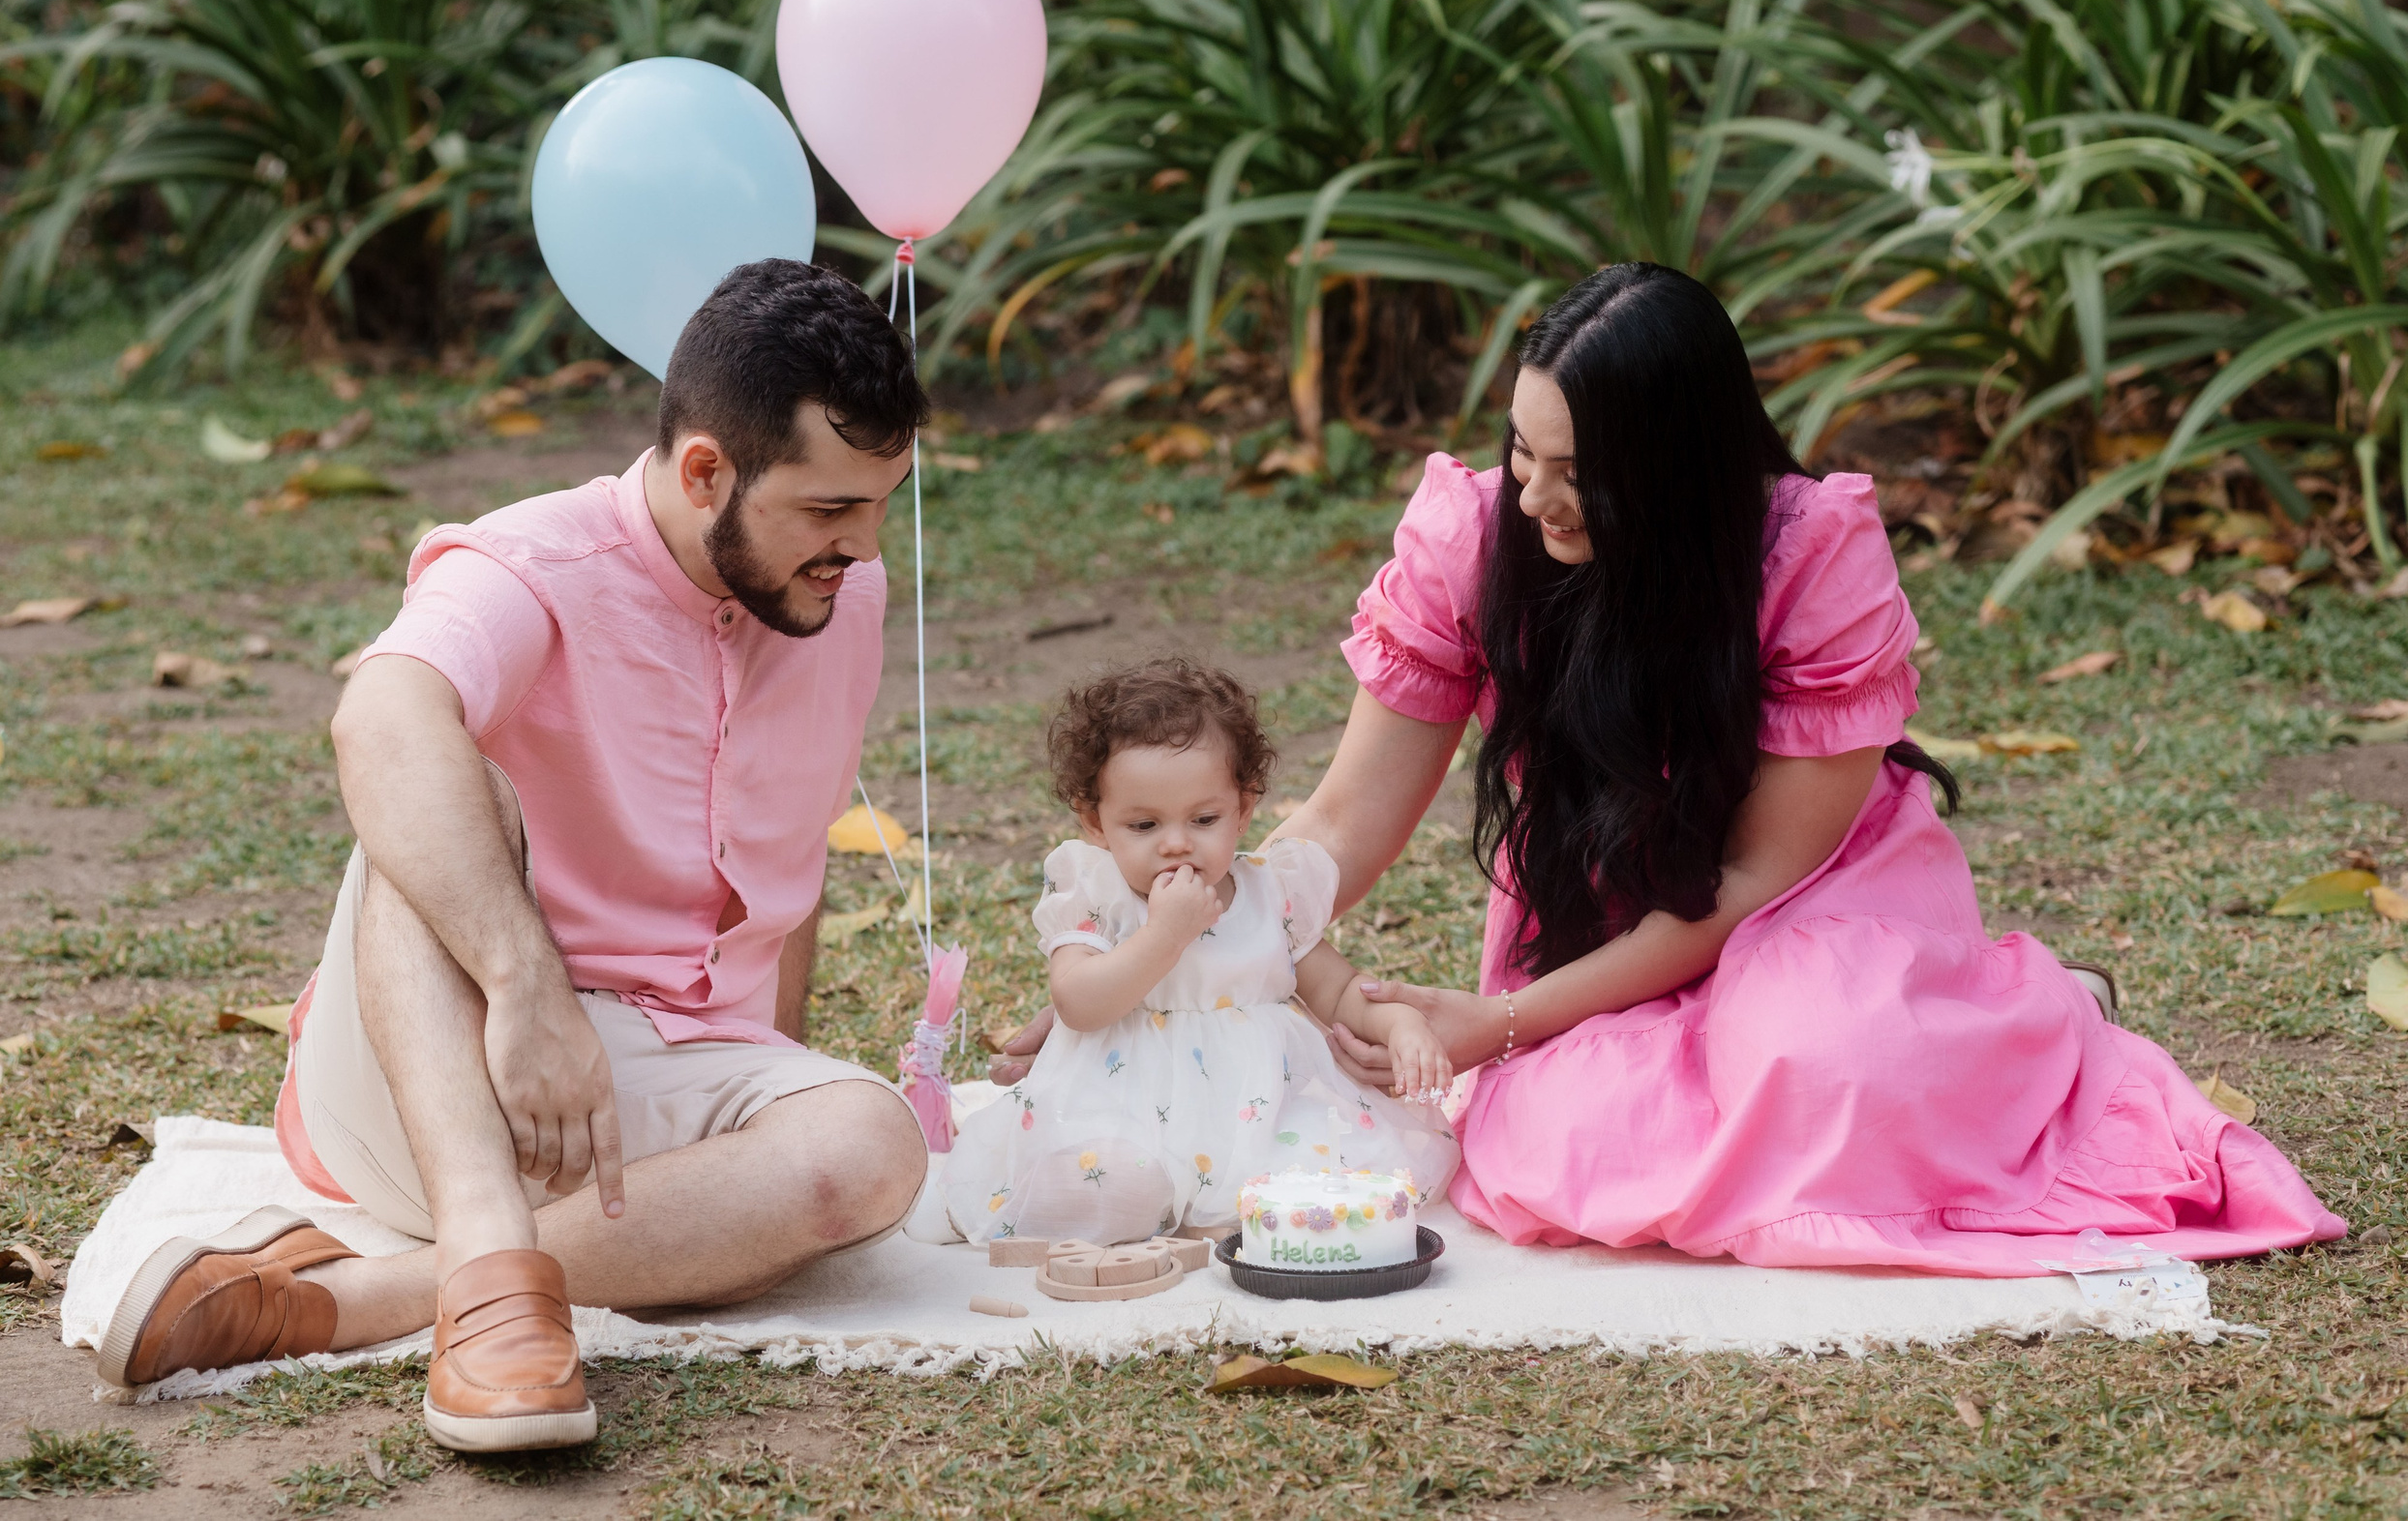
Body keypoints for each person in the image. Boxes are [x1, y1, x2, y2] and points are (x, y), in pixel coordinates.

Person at [996, 261, 2343, 1275]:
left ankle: (2028, 1026)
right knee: (1547, 1145)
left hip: (1804, 898)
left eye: (1580, 472)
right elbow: (1343, 814)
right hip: (1605, 905)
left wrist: (1503, 1020)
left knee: (1822, 1064)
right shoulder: (1479, 537)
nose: (1534, 495)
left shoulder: (1808, 557)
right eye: (1523, 450)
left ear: (1682, 471)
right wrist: (1161, 962)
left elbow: (1756, 872)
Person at [93, 260, 935, 1449]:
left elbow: (789, 861)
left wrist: (763, 1112)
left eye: (878, 505)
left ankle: (363, 1298)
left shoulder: (840, 594)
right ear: (706, 471)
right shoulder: (527, 562)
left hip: (643, 1114)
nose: (857, 546)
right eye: (827, 510)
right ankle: (486, 1277)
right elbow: (375, 720)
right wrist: (528, 989)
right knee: (436, 762)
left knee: (869, 1147)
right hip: (444, 1073)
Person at [942, 658, 1458, 1246]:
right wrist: (1163, 936)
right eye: (1143, 825)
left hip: (1257, 1113)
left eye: (1204, 818)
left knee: (1318, 1171)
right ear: (1095, 822)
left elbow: (1336, 991)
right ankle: (1112, 1203)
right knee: (1110, 1178)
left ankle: (1239, 1214)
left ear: (1244, 808)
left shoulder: (1272, 892)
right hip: (1126, 1110)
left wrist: (1400, 1021)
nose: (1177, 843)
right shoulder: (1098, 895)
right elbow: (1077, 1002)